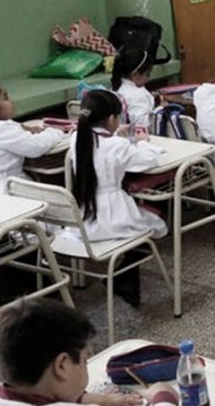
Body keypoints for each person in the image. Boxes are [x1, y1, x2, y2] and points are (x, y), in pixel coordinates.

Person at [0, 298, 178, 406]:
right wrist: (163, 395)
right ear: (62, 365)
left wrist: (99, 399)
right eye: (84, 361)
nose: (85, 368)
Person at [69, 90, 167, 307]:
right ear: (113, 119)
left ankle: (126, 279)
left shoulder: (78, 138)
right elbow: (148, 161)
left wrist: (116, 137)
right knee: (157, 223)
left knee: (145, 221)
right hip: (114, 216)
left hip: (84, 219)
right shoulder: (117, 145)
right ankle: (124, 274)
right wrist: (142, 141)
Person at [0, 82, 65, 194]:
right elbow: (36, 146)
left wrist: (22, 128)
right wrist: (55, 131)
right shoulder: (3, 129)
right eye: (5, 98)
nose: (11, 101)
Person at [112, 47, 156, 129]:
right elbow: (142, 125)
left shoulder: (117, 88)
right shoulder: (138, 95)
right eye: (148, 73)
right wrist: (160, 109)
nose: (149, 78)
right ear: (135, 74)